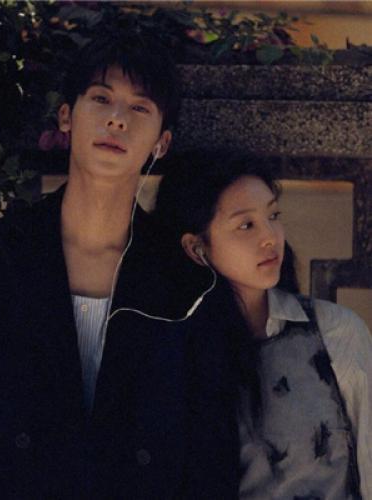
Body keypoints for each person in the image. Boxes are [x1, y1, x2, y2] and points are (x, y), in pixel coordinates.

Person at [0, 32, 240, 499]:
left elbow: (210, 457)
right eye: (101, 98)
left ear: (162, 142)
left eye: (140, 108)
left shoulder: (188, 282)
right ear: (67, 116)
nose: (117, 119)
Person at [154, 152, 372, 499]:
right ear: (197, 248)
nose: (271, 236)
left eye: (273, 216)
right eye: (246, 225)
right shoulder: (172, 354)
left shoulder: (334, 331)